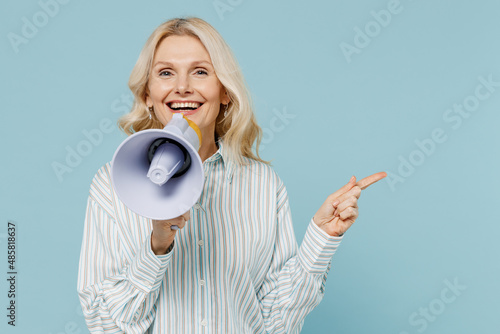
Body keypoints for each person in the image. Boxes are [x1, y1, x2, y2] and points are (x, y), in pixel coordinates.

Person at [77, 17, 386, 334]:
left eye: (200, 71)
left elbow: (276, 323)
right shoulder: (112, 185)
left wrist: (321, 239)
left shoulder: (263, 184)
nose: (182, 86)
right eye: (166, 73)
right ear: (147, 94)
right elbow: (104, 324)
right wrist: (157, 246)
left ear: (224, 91)